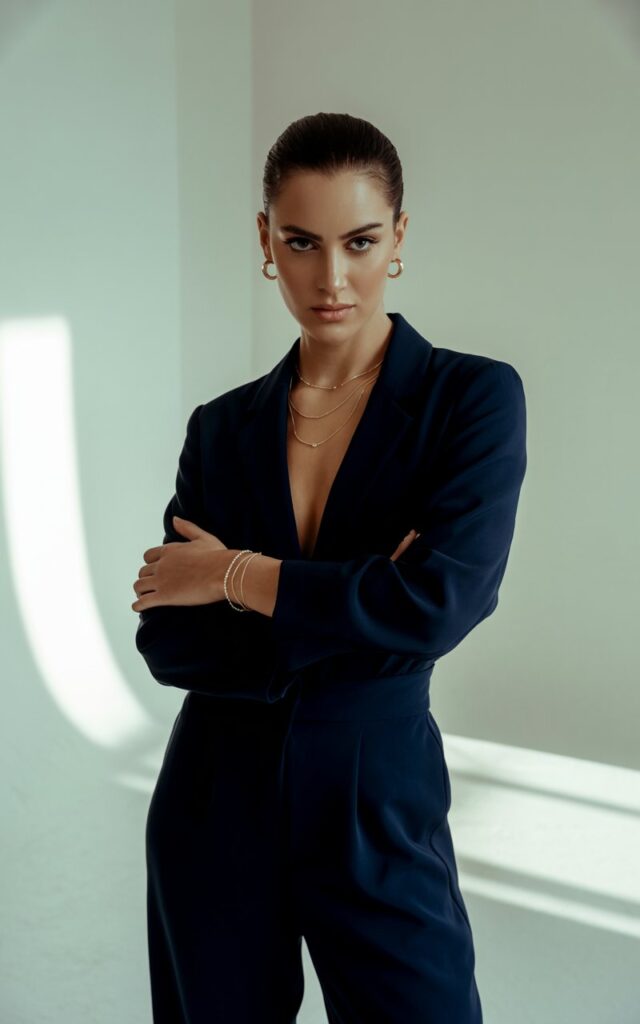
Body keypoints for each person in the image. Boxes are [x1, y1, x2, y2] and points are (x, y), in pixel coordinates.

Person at [133, 112, 527, 1024]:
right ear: (266, 241)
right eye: (302, 242)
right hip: (215, 791)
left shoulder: (470, 398)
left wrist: (232, 576)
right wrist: (359, 605)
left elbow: (438, 602)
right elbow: (171, 638)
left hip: (374, 790)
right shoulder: (222, 427)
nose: (331, 276)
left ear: (399, 239)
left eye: (360, 240)